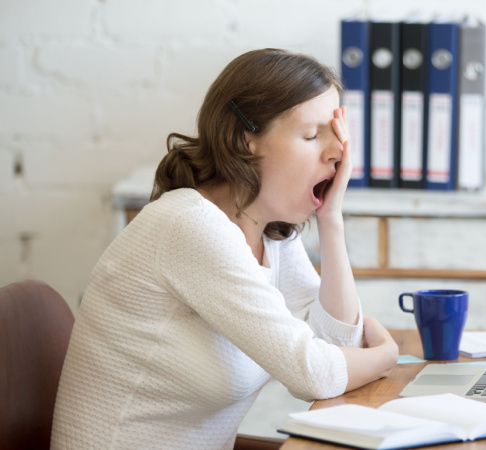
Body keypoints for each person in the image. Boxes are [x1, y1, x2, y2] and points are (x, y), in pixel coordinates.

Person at [51, 48, 399, 449]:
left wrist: (330, 220)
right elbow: (314, 373)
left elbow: (336, 348)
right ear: (243, 138)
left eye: (336, 134)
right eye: (311, 135)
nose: (337, 153)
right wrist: (386, 356)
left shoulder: (269, 231)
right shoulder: (191, 226)